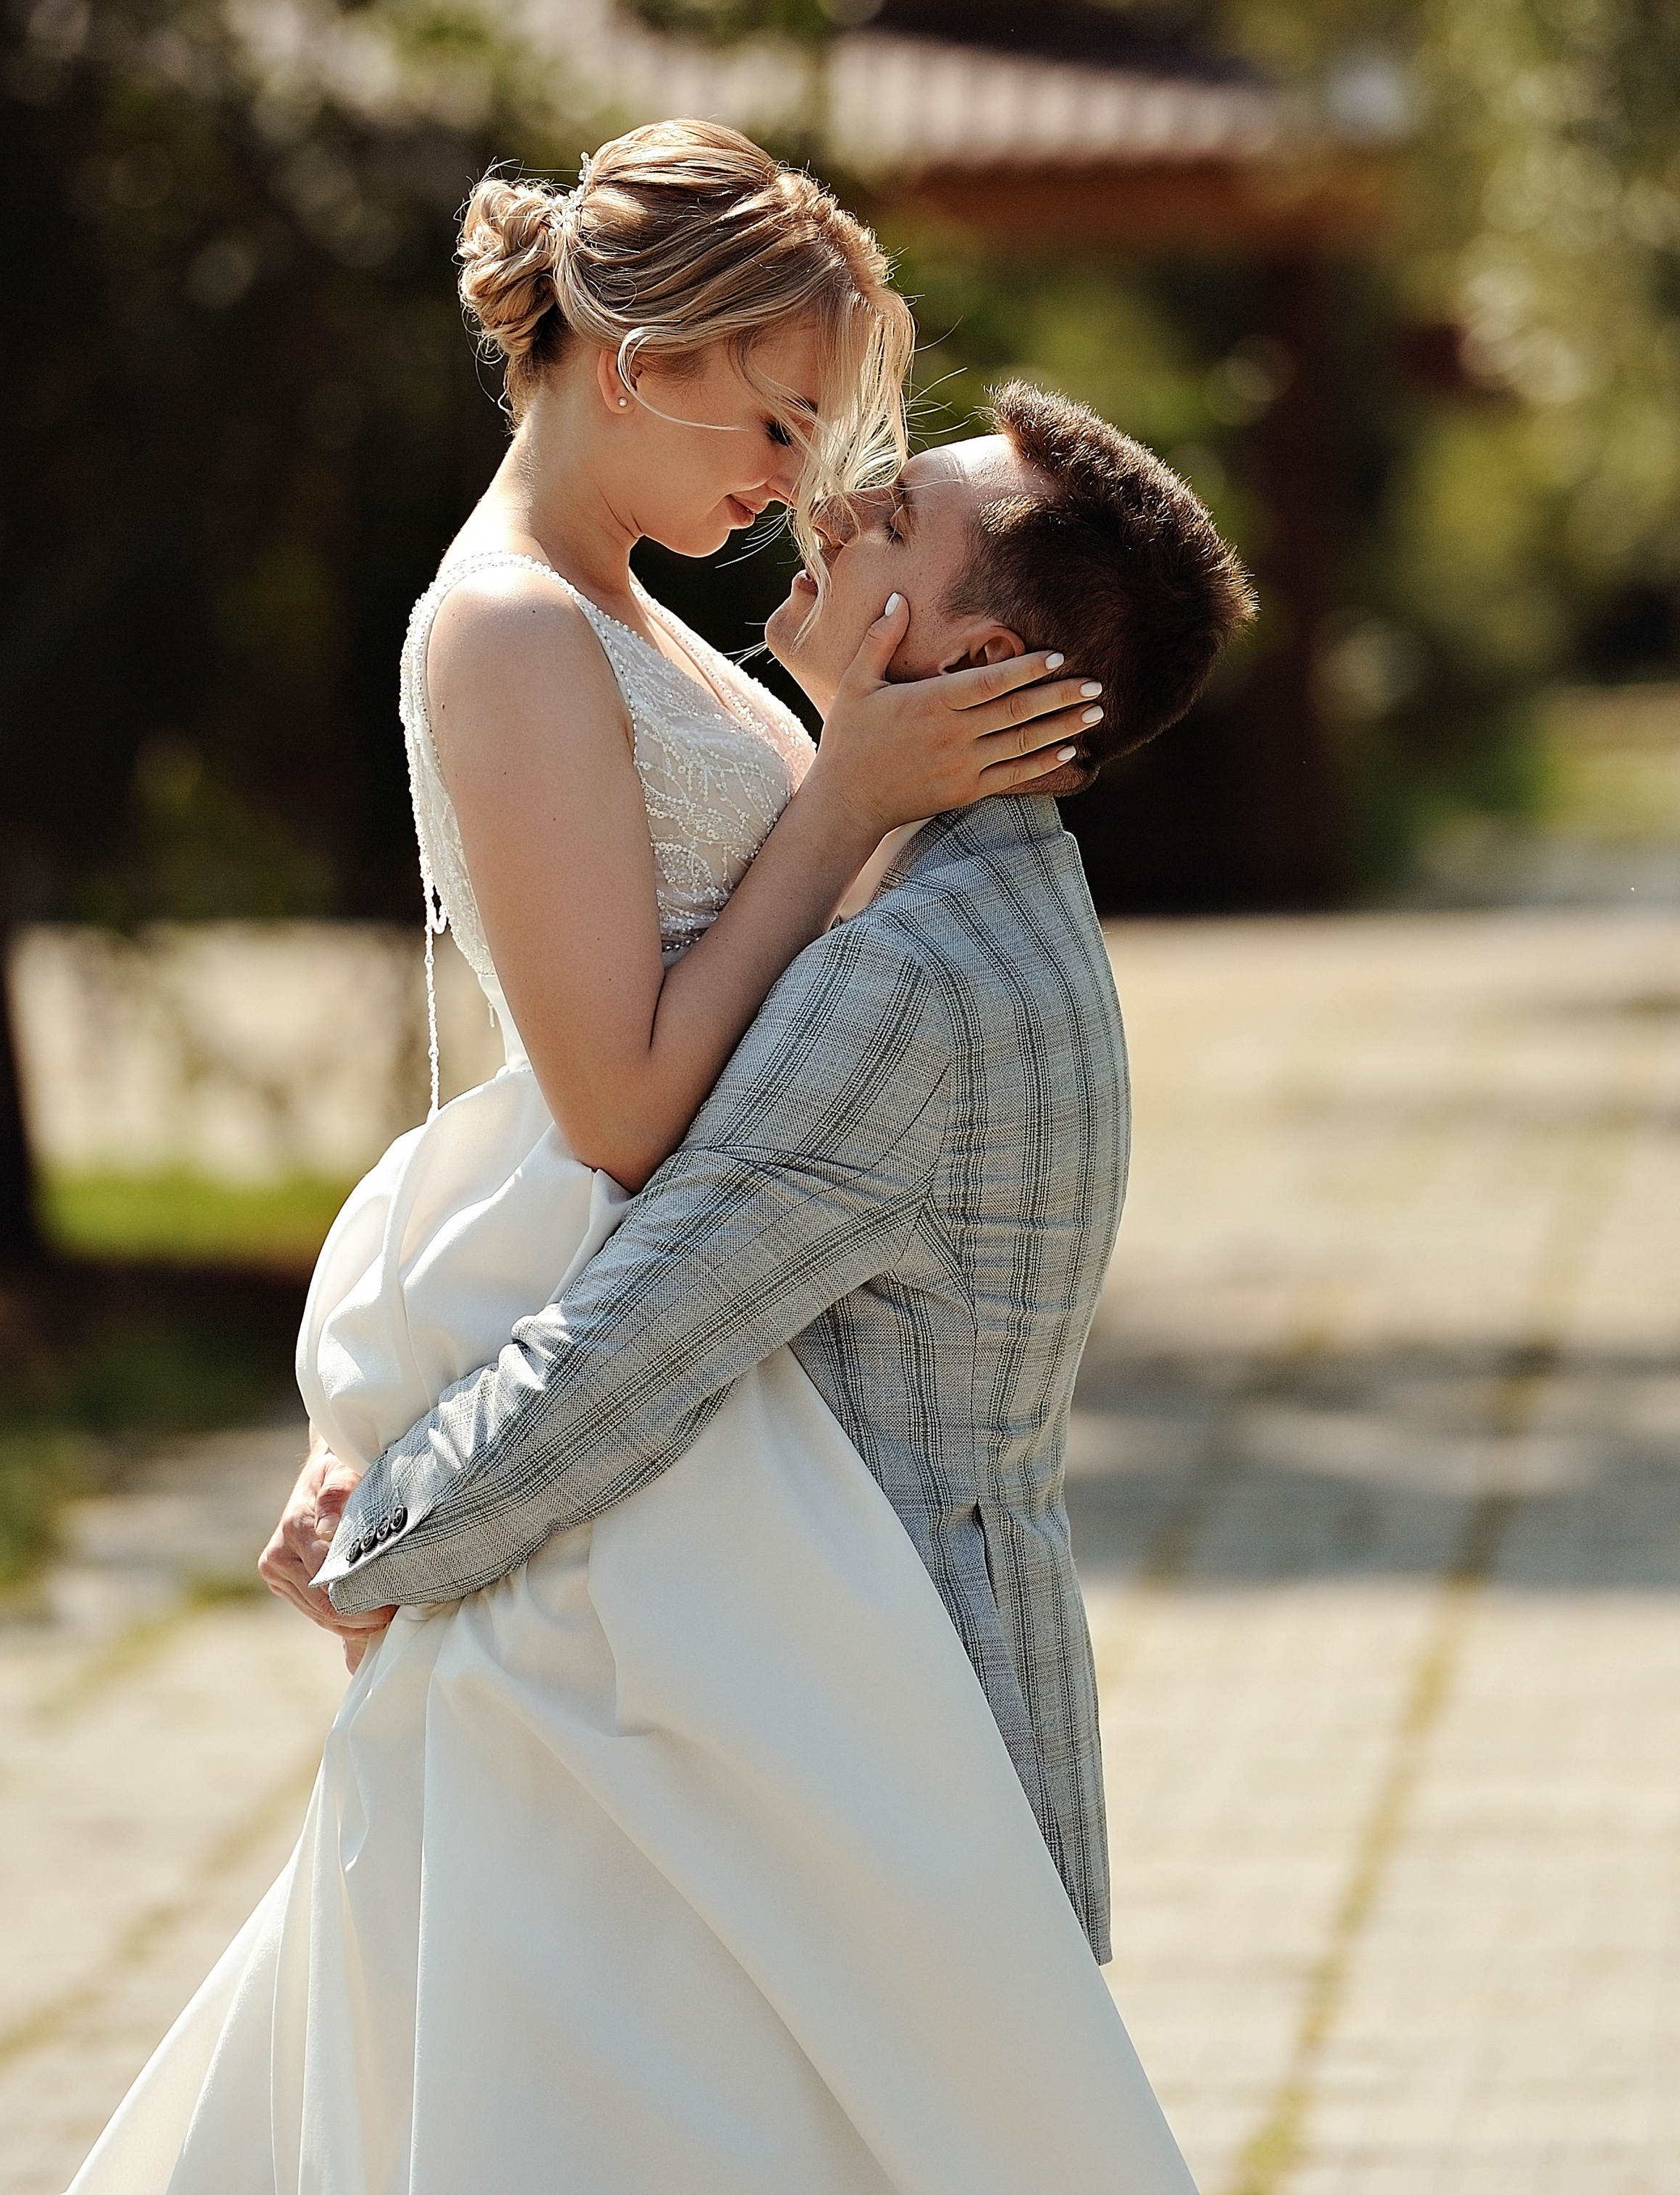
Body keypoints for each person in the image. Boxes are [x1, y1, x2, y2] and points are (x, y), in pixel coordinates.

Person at [68, 121, 1248, 2194]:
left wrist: (841, 763)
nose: (798, 479)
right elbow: (622, 1105)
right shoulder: (507, 630)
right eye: (786, 415)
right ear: (641, 356)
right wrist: (840, 789)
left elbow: (802, 1046)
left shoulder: (651, 625)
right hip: (644, 1400)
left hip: (705, 1416)